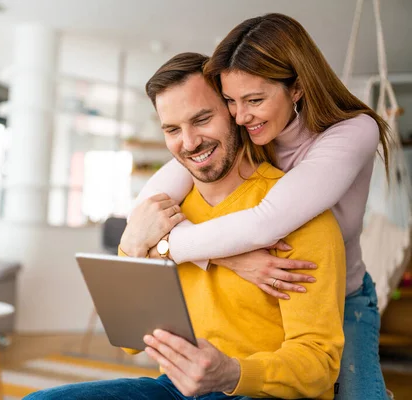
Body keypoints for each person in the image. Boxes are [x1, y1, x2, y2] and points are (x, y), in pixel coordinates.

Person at [25, 52, 346, 400]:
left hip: (260, 391)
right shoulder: (157, 216)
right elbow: (133, 342)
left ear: (234, 112)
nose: (189, 142)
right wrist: (134, 246)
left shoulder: (298, 213)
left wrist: (232, 372)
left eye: (202, 119)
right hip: (175, 390)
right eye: (172, 129)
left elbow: (319, 363)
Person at [133, 13, 390, 400]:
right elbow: (146, 207)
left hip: (344, 295)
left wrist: (163, 248)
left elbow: (264, 225)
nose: (240, 115)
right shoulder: (247, 130)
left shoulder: (353, 131)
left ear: (298, 88)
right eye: (231, 102)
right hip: (273, 289)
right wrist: (230, 259)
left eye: (254, 100)